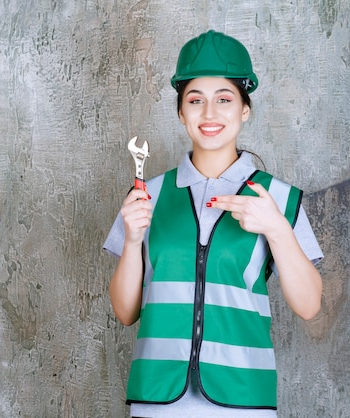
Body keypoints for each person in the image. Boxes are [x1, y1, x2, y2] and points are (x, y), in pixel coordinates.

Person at [103, 29, 323, 418]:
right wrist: (133, 239)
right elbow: (125, 312)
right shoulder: (145, 195)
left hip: (243, 401)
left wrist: (276, 228)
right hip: (156, 401)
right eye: (195, 100)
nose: (209, 114)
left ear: (244, 110)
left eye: (224, 100)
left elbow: (309, 306)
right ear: (180, 112)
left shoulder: (280, 199)